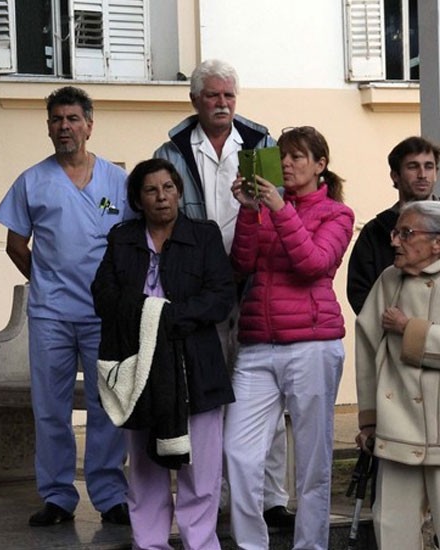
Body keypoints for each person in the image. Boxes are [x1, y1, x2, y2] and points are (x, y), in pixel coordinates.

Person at [154, 58, 293, 528]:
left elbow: (281, 204)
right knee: (207, 394)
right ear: (195, 100)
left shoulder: (260, 142)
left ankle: (270, 497)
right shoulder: (171, 149)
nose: (222, 104)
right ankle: (208, 497)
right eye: (213, 96)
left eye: (229, 96)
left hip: (257, 280)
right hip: (201, 289)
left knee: (263, 394)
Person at [0, 86, 131, 527]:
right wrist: (45, 281)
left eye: (73, 119)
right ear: (48, 127)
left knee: (107, 404)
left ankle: (110, 495)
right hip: (51, 314)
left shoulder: (117, 181)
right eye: (57, 120)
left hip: (102, 315)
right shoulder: (32, 181)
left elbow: (130, 243)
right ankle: (57, 496)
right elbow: (17, 245)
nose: (65, 127)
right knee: (49, 407)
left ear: (90, 125)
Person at [92, 158, 235, 550]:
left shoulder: (203, 237)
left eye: (168, 188)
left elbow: (221, 296)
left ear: (179, 192)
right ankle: (149, 543)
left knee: (201, 467)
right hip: (141, 365)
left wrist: (170, 317)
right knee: (144, 463)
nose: (161, 197)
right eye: (151, 190)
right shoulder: (122, 239)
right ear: (138, 199)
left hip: (196, 364)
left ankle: (200, 543)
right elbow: (103, 295)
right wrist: (147, 316)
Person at [223, 126, 354, 550]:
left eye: (299, 157)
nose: (287, 164)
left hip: (313, 344)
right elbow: (241, 264)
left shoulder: (337, 213)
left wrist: (280, 209)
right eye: (283, 156)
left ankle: (310, 546)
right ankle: (250, 546)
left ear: (320, 165)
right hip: (258, 343)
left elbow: (313, 264)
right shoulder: (266, 208)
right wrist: (247, 210)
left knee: (313, 463)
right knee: (239, 454)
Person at [355, 200, 440, 549]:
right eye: (395, 232)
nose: (395, 242)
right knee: (391, 528)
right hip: (397, 427)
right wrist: (369, 421)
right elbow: (366, 347)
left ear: (437, 242)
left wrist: (410, 329)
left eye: (406, 233)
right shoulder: (388, 279)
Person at [346, 136, 440, 314]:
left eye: (429, 166)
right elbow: (359, 291)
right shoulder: (375, 231)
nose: (422, 174)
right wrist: (389, 325)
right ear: (395, 175)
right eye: (413, 166)